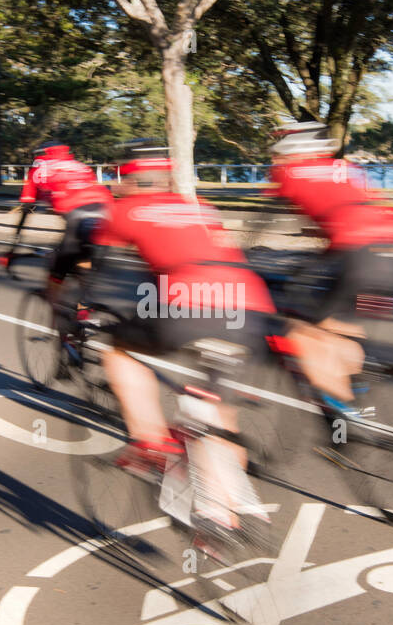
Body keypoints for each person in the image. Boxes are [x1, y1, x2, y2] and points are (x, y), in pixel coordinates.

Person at [92, 143, 277, 541]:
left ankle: (151, 441)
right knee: (221, 414)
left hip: (185, 306)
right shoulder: (201, 207)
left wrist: (88, 305)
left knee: (119, 350)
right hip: (250, 308)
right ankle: (230, 507)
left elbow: (97, 265)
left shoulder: (125, 209)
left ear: (129, 179)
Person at [267, 121, 393, 417]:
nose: (275, 160)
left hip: (357, 257)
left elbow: (261, 227)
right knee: (344, 327)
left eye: (277, 153)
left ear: (289, 151)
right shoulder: (348, 169)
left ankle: (346, 415)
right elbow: (349, 214)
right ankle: (357, 382)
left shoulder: (287, 173)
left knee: (301, 332)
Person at [0, 143, 112, 307]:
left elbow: (26, 210)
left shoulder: (37, 171)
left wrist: (13, 248)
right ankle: (84, 313)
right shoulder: (81, 167)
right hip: (108, 217)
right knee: (82, 259)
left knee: (56, 275)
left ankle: (57, 327)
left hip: (76, 221)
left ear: (39, 155)